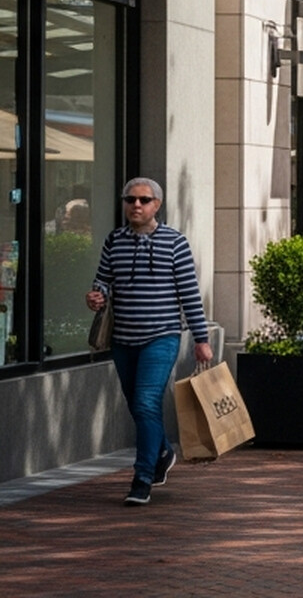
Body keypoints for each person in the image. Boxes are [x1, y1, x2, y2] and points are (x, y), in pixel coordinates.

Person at [86, 178, 213, 506]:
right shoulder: (114, 240)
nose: (136, 205)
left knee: (145, 402)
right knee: (138, 404)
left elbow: (190, 295)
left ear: (157, 204)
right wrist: (97, 296)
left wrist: (201, 339)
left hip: (161, 337)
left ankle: (142, 478)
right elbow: (103, 281)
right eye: (130, 199)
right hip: (122, 339)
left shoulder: (175, 242)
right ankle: (163, 452)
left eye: (143, 200)